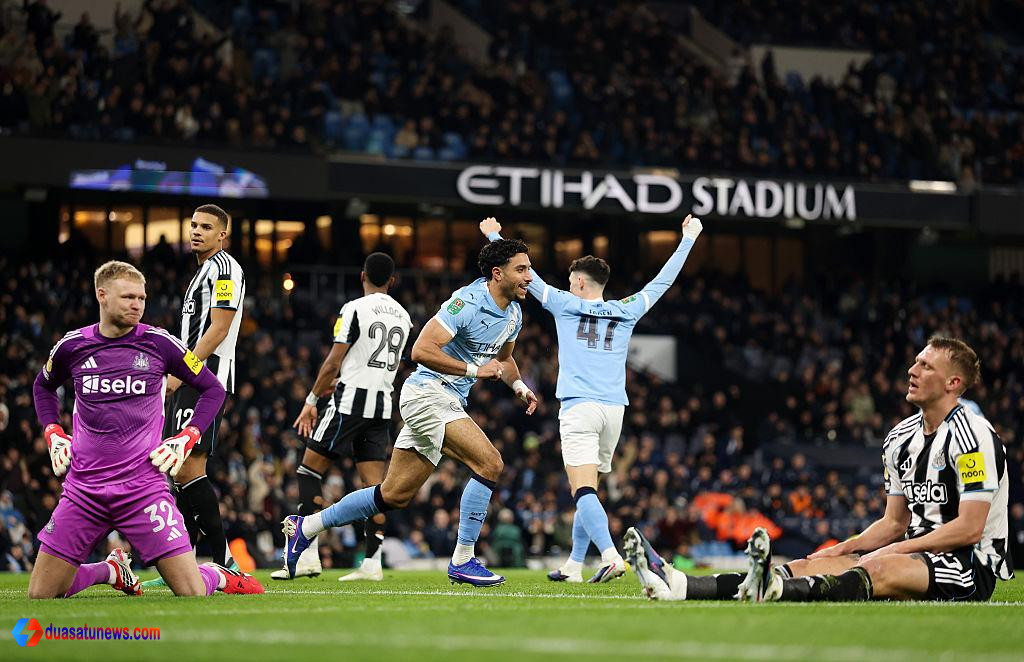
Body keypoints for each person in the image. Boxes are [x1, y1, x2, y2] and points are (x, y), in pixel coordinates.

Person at [627, 337, 1012, 602]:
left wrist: (897, 548)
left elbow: (969, 528)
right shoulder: (899, 438)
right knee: (809, 563)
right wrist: (842, 547)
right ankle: (682, 586)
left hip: (967, 566)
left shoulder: (974, 435)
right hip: (909, 552)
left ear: (953, 383)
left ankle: (775, 593)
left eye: (926, 366)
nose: (912, 369)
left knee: (878, 568)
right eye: (916, 361)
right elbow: (894, 522)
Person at [281, 239, 539, 586]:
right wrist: (474, 371)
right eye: (521, 269)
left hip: (446, 399)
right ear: (497, 274)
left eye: (529, 268)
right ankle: (463, 558)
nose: (529, 276)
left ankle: (306, 527)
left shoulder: (514, 315)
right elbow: (420, 350)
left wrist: (519, 387)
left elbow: (504, 361)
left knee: (392, 495)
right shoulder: (467, 302)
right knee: (490, 462)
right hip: (427, 393)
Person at [480, 215, 702, 583]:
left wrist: (493, 235)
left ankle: (612, 555)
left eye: (571, 281)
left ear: (580, 283)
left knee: (581, 488)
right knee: (591, 489)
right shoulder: (626, 308)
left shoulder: (565, 303)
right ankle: (573, 565)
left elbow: (522, 275)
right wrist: (688, 239)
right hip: (614, 411)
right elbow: (663, 280)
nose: (568, 285)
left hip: (580, 407)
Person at [29, 260, 262, 598]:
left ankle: (217, 574)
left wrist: (188, 436)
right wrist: (52, 431)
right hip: (84, 489)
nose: (137, 304)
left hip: (143, 490)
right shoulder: (72, 345)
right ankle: (109, 570)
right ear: (102, 295)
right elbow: (42, 387)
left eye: (141, 298)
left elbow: (213, 389)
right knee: (40, 596)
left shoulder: (159, 343)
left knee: (192, 593)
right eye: (128, 297)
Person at [271, 253, 412, 581]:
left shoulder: (353, 309)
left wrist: (311, 400)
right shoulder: (404, 317)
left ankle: (308, 554)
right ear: (391, 281)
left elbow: (334, 361)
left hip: (349, 403)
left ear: (362, 275)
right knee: (375, 487)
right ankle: (372, 563)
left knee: (308, 470)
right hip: (381, 406)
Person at [147, 203, 245, 588]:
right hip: (189, 378)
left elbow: (219, 328)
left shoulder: (225, 269)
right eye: (193, 225)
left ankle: (223, 563)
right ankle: (183, 569)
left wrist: (178, 373)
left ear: (223, 235)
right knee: (177, 470)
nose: (196, 231)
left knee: (188, 468)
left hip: (203, 381)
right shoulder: (203, 271)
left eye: (206, 226)